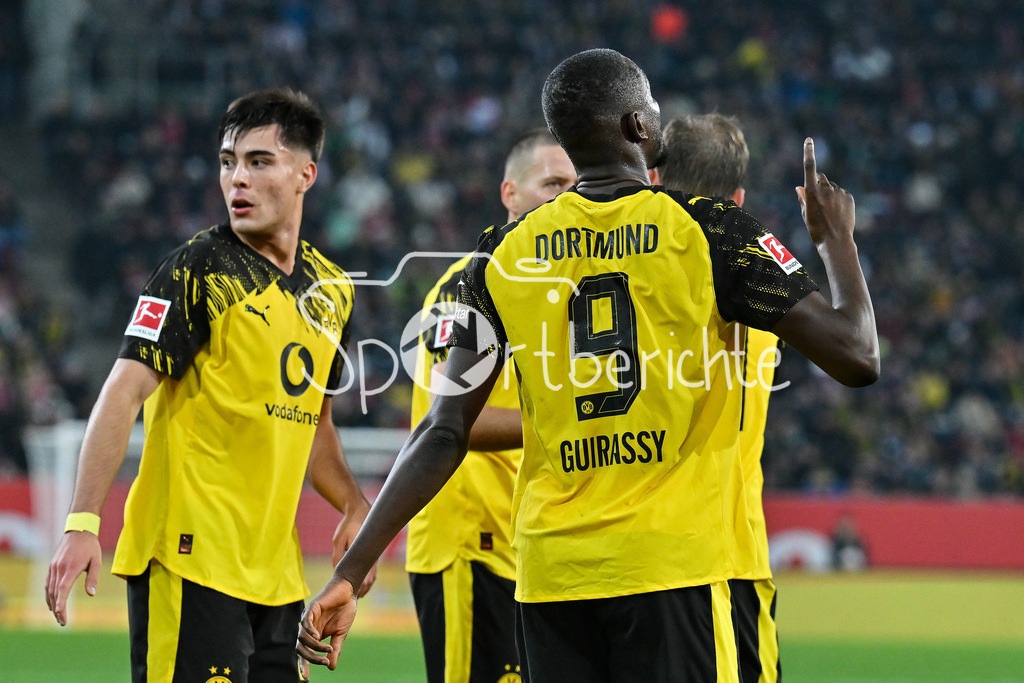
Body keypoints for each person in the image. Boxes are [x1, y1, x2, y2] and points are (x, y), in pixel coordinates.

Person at [298, 48, 878, 683]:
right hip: (672, 569)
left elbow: (442, 430)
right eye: (652, 107)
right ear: (638, 127)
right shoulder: (710, 229)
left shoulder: (499, 255)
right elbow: (856, 356)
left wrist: (350, 573)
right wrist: (834, 240)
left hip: (552, 579)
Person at [45, 88, 375, 682]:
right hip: (189, 556)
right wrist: (82, 523)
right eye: (228, 162)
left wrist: (355, 505)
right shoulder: (197, 268)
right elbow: (122, 392)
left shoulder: (334, 290)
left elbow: (312, 423)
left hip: (276, 574)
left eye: (258, 161)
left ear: (306, 173)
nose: (237, 180)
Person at [406, 128, 576, 683]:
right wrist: (563, 420)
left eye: (574, 185)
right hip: (467, 541)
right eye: (552, 183)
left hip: (525, 544)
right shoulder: (468, 285)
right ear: (509, 194)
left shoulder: (560, 288)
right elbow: (447, 418)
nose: (567, 197)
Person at [651, 112, 782, 683]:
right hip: (728, 553)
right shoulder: (762, 270)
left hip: (631, 553)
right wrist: (837, 243)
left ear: (654, 179)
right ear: (739, 195)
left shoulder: (625, 265)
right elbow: (857, 353)